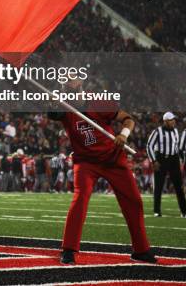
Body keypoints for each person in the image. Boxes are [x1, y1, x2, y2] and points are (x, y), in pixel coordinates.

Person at [50, 107, 156, 265]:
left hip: (112, 157)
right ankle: (68, 249)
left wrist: (123, 134)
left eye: (71, 79)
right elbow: (53, 113)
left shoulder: (98, 101)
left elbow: (129, 119)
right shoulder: (64, 105)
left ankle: (141, 250)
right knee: (80, 199)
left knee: (134, 201)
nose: (67, 82)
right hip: (86, 161)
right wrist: (52, 104)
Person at [146, 112, 186, 217]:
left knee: (179, 186)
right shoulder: (157, 131)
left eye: (174, 119)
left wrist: (182, 159)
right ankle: (157, 211)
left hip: (173, 159)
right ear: (165, 121)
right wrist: (154, 160)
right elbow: (149, 146)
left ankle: (184, 211)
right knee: (159, 187)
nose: (173, 121)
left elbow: (177, 147)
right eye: (171, 120)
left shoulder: (175, 131)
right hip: (161, 158)